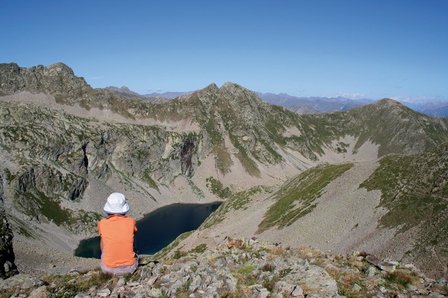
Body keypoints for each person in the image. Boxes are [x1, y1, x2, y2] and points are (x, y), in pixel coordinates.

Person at [98, 192, 138, 275]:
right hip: (130, 268)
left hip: (108, 269)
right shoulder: (131, 221)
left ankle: (110, 259)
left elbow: (103, 244)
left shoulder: (102, 223)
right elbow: (133, 236)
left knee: (103, 241)